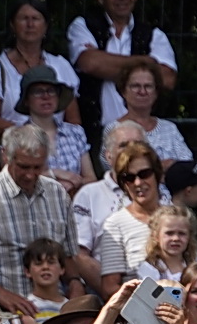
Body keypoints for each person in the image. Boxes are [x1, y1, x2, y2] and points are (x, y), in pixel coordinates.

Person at [0, 125, 78, 314]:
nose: (30, 174)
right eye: (23, 166)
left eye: (38, 167)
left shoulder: (58, 194)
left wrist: (76, 286)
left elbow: (68, 255)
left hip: (54, 308)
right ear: (5, 156)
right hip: (2, 310)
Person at [67, 0, 178, 141]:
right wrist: (147, 63)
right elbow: (90, 64)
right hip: (96, 135)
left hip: (146, 135)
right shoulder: (83, 26)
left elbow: (167, 79)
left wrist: (107, 64)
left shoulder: (154, 35)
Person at [0, 0, 81, 143]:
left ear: (45, 26)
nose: (30, 24)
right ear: (12, 25)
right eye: (23, 19)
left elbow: (73, 121)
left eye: (35, 19)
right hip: (12, 149)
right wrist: (31, 134)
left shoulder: (61, 67)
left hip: (57, 148)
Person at [92, 140, 163, 292]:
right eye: (129, 178)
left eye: (144, 174)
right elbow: (109, 288)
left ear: (156, 174)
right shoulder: (115, 224)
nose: (138, 182)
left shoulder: (177, 217)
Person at [15, 64, 94, 195]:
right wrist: (55, 174)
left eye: (51, 90)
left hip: (74, 205)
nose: (46, 96)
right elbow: (14, 180)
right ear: (26, 100)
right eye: (38, 91)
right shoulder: (16, 136)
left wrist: (71, 184)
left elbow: (91, 179)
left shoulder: (76, 132)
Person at [71, 120, 144, 254]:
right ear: (108, 156)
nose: (131, 151)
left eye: (137, 144)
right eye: (123, 145)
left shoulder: (159, 194)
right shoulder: (89, 195)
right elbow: (80, 256)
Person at [137, 205, 197, 283]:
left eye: (182, 233)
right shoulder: (149, 268)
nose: (176, 238)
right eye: (169, 233)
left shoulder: (195, 264)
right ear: (156, 236)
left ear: (190, 236)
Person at [19, 237, 68, 316]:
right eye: (38, 263)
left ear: (62, 269)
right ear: (27, 271)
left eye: (51, 262)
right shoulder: (25, 310)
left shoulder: (70, 308)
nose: (45, 267)